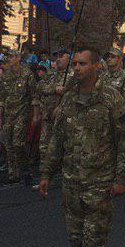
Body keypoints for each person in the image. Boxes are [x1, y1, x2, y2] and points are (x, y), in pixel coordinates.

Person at [39, 48, 125, 247]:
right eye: (75, 64)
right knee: (77, 241)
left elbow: (124, 140)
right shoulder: (69, 98)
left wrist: (121, 178)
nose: (77, 68)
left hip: (99, 184)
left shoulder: (111, 98)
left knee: (93, 242)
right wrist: (46, 173)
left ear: (96, 67)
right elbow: (57, 139)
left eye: (82, 64)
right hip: (71, 184)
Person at [33, 50, 73, 185]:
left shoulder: (72, 75)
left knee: (64, 148)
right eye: (57, 57)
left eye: (62, 57)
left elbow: (71, 93)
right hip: (47, 116)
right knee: (44, 147)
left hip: (63, 119)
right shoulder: (51, 74)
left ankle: (66, 178)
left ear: (69, 59)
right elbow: (40, 87)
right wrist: (55, 89)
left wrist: (60, 106)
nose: (58, 59)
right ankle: (45, 178)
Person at [0, 49, 34, 186]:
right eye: (8, 57)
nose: (9, 59)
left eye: (12, 56)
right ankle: (13, 174)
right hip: (8, 115)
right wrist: (0, 117)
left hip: (22, 114)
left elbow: (34, 95)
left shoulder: (27, 74)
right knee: (8, 145)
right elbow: (2, 98)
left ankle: (25, 170)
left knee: (18, 144)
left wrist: (35, 115)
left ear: (18, 58)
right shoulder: (5, 76)